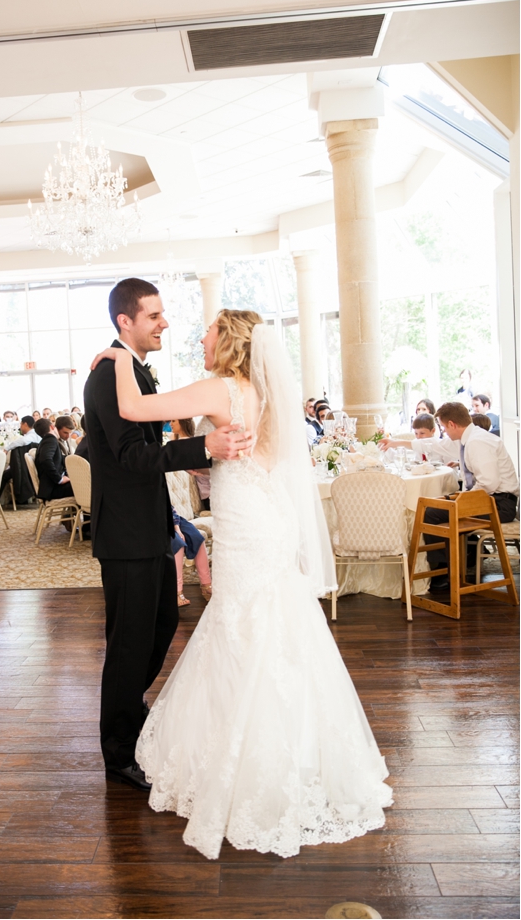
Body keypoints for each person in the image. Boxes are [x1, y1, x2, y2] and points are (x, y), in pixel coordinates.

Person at [93, 303, 392, 860]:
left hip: (248, 528)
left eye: (206, 331)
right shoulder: (268, 393)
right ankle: (300, 752)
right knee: (276, 626)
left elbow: (133, 406)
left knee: (244, 628)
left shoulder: (220, 389)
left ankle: (249, 758)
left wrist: (114, 357)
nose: (197, 336)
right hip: (267, 521)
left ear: (226, 341)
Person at [85, 278, 250, 795]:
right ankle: (119, 752)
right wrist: (206, 446)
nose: (165, 324)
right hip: (127, 535)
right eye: (154, 316)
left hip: (151, 528)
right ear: (125, 322)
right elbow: (133, 457)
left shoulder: (130, 370)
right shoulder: (108, 376)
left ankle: (133, 720)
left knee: (156, 632)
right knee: (130, 644)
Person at [381, 402, 519, 591]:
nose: (444, 432)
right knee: (436, 506)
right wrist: (396, 443)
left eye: (444, 427)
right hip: (491, 499)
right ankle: (456, 562)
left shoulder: (477, 442)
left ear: (452, 424)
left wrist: (461, 499)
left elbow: (489, 482)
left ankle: (443, 572)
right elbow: (434, 444)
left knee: (430, 513)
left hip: (499, 504)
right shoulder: (469, 438)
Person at [33, 417, 72, 500]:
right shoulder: (50, 440)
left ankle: (71, 513)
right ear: (52, 427)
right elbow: (46, 460)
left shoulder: (45, 440)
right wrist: (59, 479)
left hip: (52, 487)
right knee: (85, 485)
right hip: (53, 488)